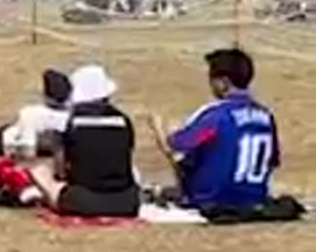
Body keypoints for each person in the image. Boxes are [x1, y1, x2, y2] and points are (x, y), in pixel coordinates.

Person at [148, 48, 279, 212]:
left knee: (179, 150)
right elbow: (272, 161)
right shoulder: (266, 115)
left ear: (223, 83)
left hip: (212, 198)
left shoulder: (216, 115)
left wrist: (159, 129)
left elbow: (178, 144)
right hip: (255, 195)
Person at [29, 65, 140, 217]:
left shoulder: (72, 122)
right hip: (127, 202)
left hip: (82, 200)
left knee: (40, 172)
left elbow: (60, 171)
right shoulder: (123, 120)